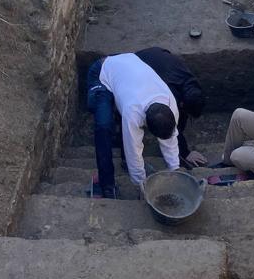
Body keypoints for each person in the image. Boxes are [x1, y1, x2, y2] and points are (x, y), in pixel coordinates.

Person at [87, 53, 179, 198]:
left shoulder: (170, 103)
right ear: (146, 124)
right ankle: (107, 185)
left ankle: (124, 163)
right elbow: (134, 150)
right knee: (104, 126)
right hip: (102, 72)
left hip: (127, 71)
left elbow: (171, 140)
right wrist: (141, 185)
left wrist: (175, 171)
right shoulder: (133, 111)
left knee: (125, 119)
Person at [135, 46, 207, 167]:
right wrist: (185, 152)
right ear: (182, 104)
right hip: (135, 65)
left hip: (156, 52)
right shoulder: (169, 95)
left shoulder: (190, 82)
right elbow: (170, 125)